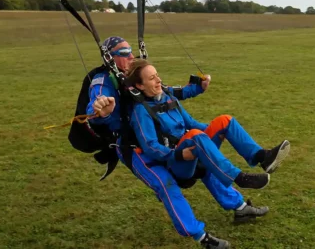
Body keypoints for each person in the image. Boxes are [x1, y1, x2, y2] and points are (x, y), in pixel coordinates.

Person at [124, 58, 291, 249]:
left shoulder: (169, 98)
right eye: (152, 78)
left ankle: (263, 157)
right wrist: (177, 155)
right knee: (196, 136)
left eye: (158, 76)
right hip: (179, 163)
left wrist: (218, 131)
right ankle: (240, 177)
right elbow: (150, 146)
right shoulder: (140, 111)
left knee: (224, 121)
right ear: (139, 85)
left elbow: (192, 123)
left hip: (193, 149)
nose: (158, 81)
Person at [86, 36, 209, 134]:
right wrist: (99, 110)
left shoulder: (131, 75)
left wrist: (198, 87)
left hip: (150, 129)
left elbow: (165, 90)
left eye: (130, 51)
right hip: (130, 137)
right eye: (124, 53)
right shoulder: (103, 80)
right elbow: (97, 103)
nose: (131, 56)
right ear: (110, 57)